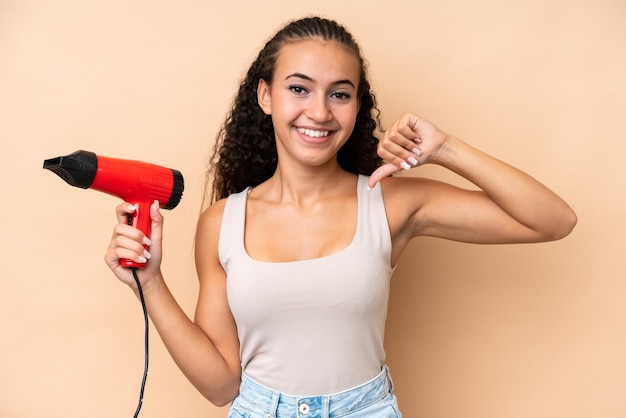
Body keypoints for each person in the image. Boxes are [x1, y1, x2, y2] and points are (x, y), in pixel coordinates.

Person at [105, 16, 577, 418]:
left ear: (357, 106)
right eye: (298, 89)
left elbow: (552, 220)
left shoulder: (389, 204)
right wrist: (150, 282)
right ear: (265, 96)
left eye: (340, 94)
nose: (319, 112)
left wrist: (446, 148)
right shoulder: (221, 222)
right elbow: (220, 385)